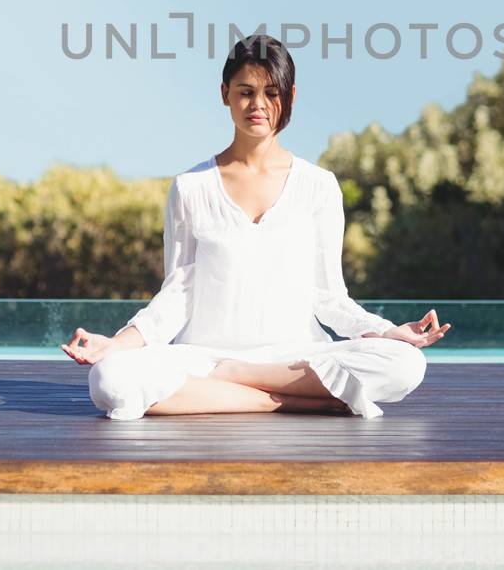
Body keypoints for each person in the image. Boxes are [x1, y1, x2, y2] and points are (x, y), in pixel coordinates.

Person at [61, 35, 451, 419]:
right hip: (205, 357)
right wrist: (117, 344)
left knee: (405, 364)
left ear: (291, 96)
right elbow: (177, 293)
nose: (258, 105)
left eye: (272, 92)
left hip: (296, 357)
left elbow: (329, 297)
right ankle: (286, 401)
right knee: (109, 379)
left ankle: (239, 381)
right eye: (245, 92)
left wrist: (387, 333)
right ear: (224, 93)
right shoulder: (191, 187)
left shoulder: (319, 187)